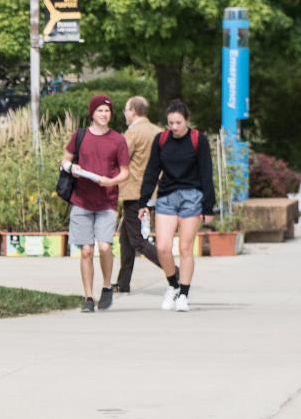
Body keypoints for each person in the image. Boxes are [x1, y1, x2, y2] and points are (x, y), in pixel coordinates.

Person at [138, 99, 215, 312]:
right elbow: (152, 171)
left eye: (178, 122)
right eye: (170, 122)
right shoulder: (161, 140)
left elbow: (207, 174)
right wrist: (143, 201)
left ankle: (184, 294)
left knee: (185, 248)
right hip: (166, 198)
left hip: (192, 198)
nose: (173, 127)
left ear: (187, 121)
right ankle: (172, 285)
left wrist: (208, 207)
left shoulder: (198, 140)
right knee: (162, 247)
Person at [60, 94, 130, 312]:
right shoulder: (79, 136)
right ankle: (88, 298)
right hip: (81, 200)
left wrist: (111, 180)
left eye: (107, 111)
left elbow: (126, 172)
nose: (104, 114)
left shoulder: (118, 140)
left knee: (104, 246)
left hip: (107, 201)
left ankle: (107, 286)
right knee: (87, 251)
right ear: (92, 113)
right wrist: (72, 169)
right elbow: (65, 159)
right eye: (100, 110)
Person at [115, 96, 162, 292]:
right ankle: (123, 283)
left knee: (137, 240)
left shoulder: (133, 133)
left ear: (133, 111)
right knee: (125, 238)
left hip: (134, 192)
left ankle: (174, 271)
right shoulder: (159, 132)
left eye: (126, 110)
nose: (124, 114)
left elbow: (121, 159)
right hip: (153, 191)